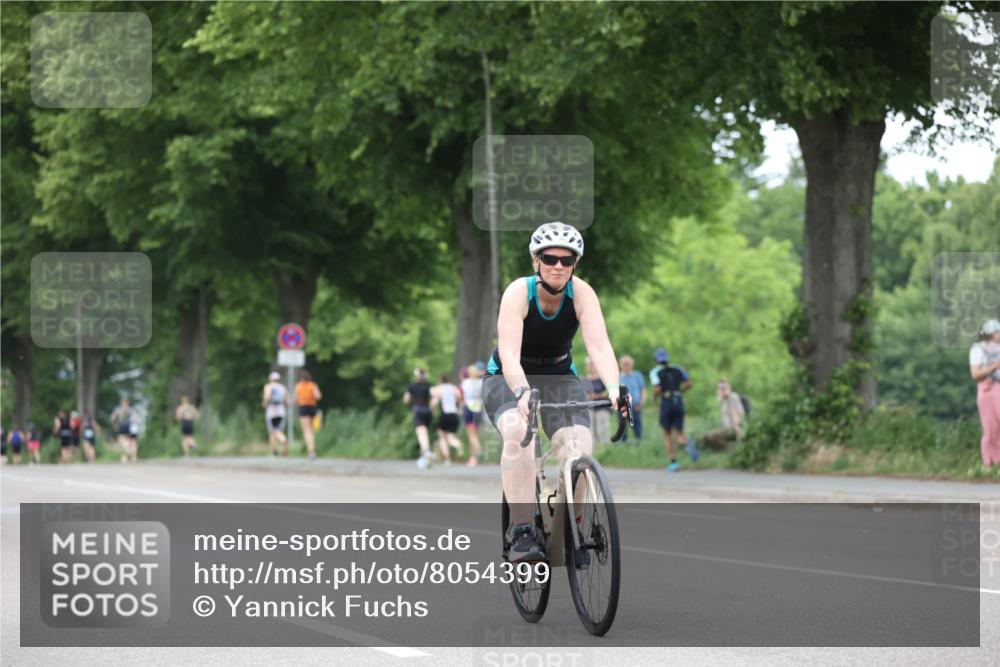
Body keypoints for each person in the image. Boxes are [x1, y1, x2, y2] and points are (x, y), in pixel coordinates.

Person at [482, 222, 630, 563]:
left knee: (579, 443)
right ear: (536, 261)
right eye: (550, 258)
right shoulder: (518, 292)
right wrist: (521, 392)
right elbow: (508, 354)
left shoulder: (582, 293)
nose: (558, 266)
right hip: (508, 376)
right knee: (518, 433)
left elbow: (599, 346)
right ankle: (521, 530)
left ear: (575, 263)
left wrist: (612, 388)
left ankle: (572, 524)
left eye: (567, 260)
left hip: (560, 374)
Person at [652, 347, 697, 471]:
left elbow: (657, 389)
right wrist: (680, 391)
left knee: (667, 433)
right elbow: (688, 383)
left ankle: (673, 462)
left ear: (656, 360)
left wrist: (655, 399)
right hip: (678, 401)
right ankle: (686, 442)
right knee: (679, 432)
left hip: (666, 402)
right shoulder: (678, 368)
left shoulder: (655, 372)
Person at [970, 319, 1000, 466]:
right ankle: (989, 463)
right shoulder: (978, 350)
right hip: (988, 389)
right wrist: (994, 366)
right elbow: (975, 374)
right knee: (991, 428)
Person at [701, 378, 746, 451]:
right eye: (720, 388)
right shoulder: (720, 399)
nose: (722, 390)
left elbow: (737, 415)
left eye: (724, 388)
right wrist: (721, 392)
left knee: (712, 436)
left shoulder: (733, 397)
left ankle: (725, 449)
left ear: (729, 388)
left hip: (734, 428)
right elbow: (720, 398)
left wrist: (738, 431)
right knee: (705, 437)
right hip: (726, 428)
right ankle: (719, 450)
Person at [404, 368, 434, 469]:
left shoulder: (412, 386)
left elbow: (406, 400)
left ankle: (426, 451)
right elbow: (433, 397)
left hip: (418, 410)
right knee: (425, 434)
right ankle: (424, 460)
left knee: (421, 433)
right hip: (427, 410)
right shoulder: (429, 385)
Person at [431, 373, 464, 464]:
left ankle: (447, 458)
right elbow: (460, 399)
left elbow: (434, 401)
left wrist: (433, 411)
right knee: (451, 437)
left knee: (442, 436)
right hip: (454, 414)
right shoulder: (454, 388)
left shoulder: (440, 389)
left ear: (441, 380)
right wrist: (460, 410)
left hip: (445, 414)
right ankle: (458, 445)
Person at [461, 362, 486, 466]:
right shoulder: (482, 382)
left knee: (471, 434)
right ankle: (473, 459)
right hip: (478, 407)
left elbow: (461, 396)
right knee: (475, 433)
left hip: (468, 407)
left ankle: (478, 448)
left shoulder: (465, 382)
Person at [295, 369, 322, 460]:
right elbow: (318, 396)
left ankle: (311, 451)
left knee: (306, 430)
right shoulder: (313, 385)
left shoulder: (298, 386)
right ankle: (312, 449)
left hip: (303, 407)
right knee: (311, 429)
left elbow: (295, 399)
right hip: (312, 407)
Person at [619, 355, 646, 442]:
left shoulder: (637, 375)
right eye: (625, 364)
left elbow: (643, 390)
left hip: (635, 404)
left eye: (628, 363)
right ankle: (623, 443)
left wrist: (641, 403)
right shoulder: (618, 376)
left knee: (637, 424)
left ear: (632, 364)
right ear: (621, 365)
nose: (626, 365)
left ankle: (639, 441)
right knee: (622, 425)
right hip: (622, 405)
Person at [584, 357, 611, 444]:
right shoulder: (585, 379)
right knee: (591, 430)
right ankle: (595, 450)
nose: (591, 366)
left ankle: (606, 448)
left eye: (592, 364)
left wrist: (598, 395)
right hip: (590, 407)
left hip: (602, 406)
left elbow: (609, 391)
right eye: (589, 365)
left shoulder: (602, 377)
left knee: (601, 429)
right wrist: (587, 396)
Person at [262, 371, 290, 456]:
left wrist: (264, 403)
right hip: (281, 411)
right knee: (278, 430)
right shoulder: (282, 387)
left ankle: (282, 442)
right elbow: (287, 401)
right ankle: (275, 450)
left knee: (272, 431)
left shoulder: (268, 387)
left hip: (271, 412)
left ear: (270, 379)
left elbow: (267, 397)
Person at [110, 398, 134, 463]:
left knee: (121, 440)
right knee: (127, 440)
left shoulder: (118, 409)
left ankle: (128, 450)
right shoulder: (129, 409)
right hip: (128, 426)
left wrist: (114, 424)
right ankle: (125, 457)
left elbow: (112, 418)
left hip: (121, 426)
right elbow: (133, 418)